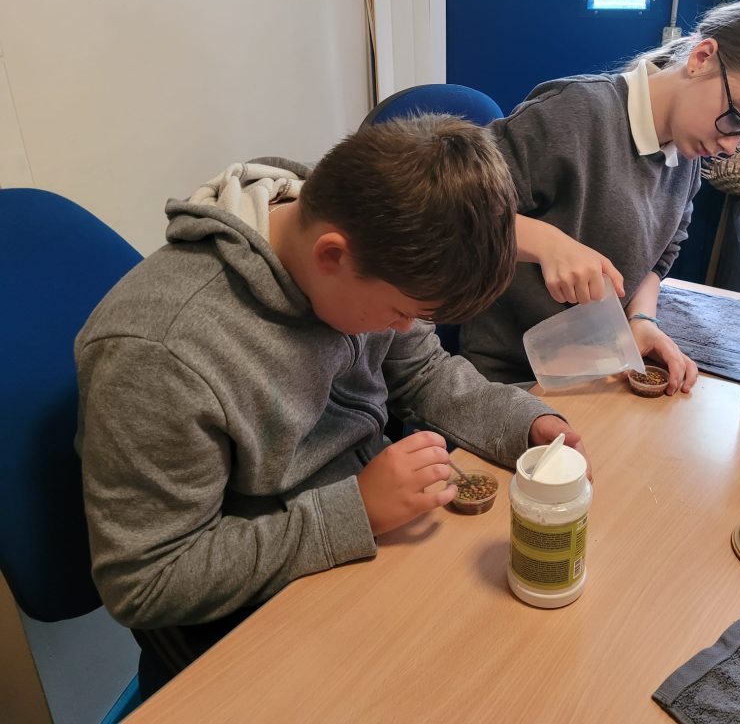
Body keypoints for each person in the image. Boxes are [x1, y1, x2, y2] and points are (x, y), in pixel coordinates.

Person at [75, 114, 584, 692]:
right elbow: (148, 578)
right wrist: (357, 512)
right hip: (253, 623)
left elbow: (422, 371)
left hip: (363, 541)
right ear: (332, 256)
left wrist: (527, 421)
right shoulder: (159, 353)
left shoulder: (373, 244)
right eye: (401, 312)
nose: (405, 328)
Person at [458, 0, 740, 393]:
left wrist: (642, 321)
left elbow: (659, 258)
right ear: (702, 57)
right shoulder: (571, 115)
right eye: (735, 118)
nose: (730, 145)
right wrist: (547, 242)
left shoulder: (688, 152)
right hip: (513, 378)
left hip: (598, 369)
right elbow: (450, 215)